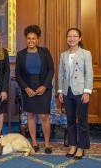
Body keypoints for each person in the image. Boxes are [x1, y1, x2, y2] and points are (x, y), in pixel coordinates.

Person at [15, 25, 54, 154]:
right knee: (31, 115)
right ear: (26, 39)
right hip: (28, 87)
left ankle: (47, 143)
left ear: (38, 39)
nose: (31, 41)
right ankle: (34, 142)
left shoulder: (45, 52)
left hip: (43, 86)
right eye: (28, 38)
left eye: (34, 38)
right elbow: (18, 74)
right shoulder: (21, 54)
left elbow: (51, 70)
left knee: (44, 116)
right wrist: (26, 88)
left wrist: (44, 86)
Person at [58, 28, 93, 160]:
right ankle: (73, 145)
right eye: (69, 36)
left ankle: (81, 147)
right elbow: (61, 74)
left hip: (81, 92)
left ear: (79, 38)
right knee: (70, 120)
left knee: (82, 120)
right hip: (67, 92)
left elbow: (89, 73)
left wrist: (87, 92)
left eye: (74, 36)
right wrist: (60, 91)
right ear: (67, 38)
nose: (71, 39)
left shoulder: (85, 54)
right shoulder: (63, 55)